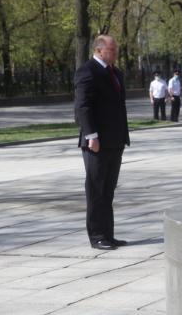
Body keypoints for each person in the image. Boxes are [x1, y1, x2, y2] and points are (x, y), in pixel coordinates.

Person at [74, 34, 130, 250]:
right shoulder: (87, 71)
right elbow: (83, 106)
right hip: (96, 141)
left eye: (115, 50)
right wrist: (91, 136)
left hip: (115, 140)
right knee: (96, 190)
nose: (115, 53)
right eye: (112, 50)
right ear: (99, 50)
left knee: (108, 190)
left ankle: (108, 233)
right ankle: (97, 235)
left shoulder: (115, 73)